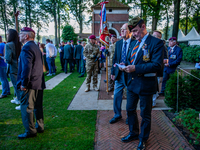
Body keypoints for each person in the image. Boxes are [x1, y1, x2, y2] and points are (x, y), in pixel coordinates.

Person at [120, 17, 164, 150]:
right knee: (130, 110)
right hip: (132, 83)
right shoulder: (134, 43)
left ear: (143, 26)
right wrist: (125, 64)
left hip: (146, 84)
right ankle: (133, 133)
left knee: (145, 114)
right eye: (132, 32)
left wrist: (135, 68)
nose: (133, 34)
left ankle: (143, 139)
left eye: (135, 31)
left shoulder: (156, 43)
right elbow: (130, 59)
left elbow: (156, 65)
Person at [17, 27, 45, 139]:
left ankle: (30, 131)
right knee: (38, 106)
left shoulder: (26, 48)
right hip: (38, 82)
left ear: (26, 36)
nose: (19, 36)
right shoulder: (36, 47)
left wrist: (24, 83)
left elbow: (26, 68)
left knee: (27, 108)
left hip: (30, 83)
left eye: (21, 34)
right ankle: (40, 126)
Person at [109, 23, 133, 124]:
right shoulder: (118, 44)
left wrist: (126, 64)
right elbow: (115, 59)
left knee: (130, 98)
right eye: (121, 29)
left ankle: (130, 116)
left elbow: (136, 60)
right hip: (119, 74)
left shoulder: (135, 43)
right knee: (117, 95)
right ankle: (117, 114)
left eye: (124, 29)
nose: (121, 31)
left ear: (130, 32)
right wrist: (113, 72)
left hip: (130, 75)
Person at [5, 29, 21, 109]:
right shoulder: (19, 44)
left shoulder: (8, 45)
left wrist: (5, 59)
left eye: (7, 34)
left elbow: (8, 58)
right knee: (19, 84)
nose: (6, 35)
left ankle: (20, 101)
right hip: (19, 66)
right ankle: (17, 98)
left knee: (16, 85)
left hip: (12, 67)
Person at [151, 30, 168, 107]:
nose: (152, 37)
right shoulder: (150, 44)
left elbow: (166, 58)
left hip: (157, 70)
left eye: (155, 36)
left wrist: (163, 60)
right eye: (152, 35)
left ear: (159, 37)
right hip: (149, 69)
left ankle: (153, 102)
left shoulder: (162, 46)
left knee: (155, 86)